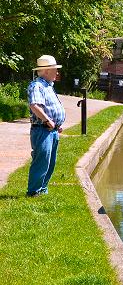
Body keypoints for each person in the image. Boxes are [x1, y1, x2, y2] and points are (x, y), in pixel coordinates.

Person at [26, 55, 66, 197]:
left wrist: (57, 124)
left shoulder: (48, 86)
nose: (57, 72)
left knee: (50, 162)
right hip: (42, 130)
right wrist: (48, 121)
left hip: (51, 130)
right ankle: (33, 192)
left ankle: (42, 189)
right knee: (41, 161)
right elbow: (35, 105)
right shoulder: (37, 85)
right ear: (47, 70)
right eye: (55, 69)